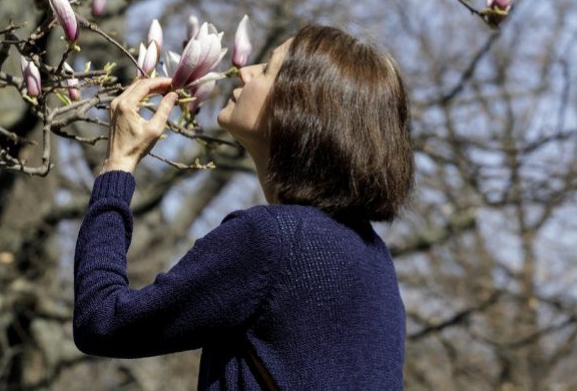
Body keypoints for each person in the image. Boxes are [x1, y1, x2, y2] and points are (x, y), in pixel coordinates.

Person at [72, 24, 415, 390]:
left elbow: (102, 321)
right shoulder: (375, 259)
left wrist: (117, 168)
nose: (245, 71)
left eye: (267, 70)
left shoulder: (274, 240)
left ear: (300, 109)